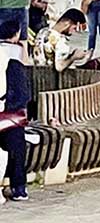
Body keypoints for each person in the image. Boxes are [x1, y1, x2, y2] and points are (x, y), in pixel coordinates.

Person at [0, 15, 31, 202]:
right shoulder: (15, 56)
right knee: (17, 147)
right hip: (11, 113)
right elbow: (22, 90)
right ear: (16, 34)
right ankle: (19, 188)